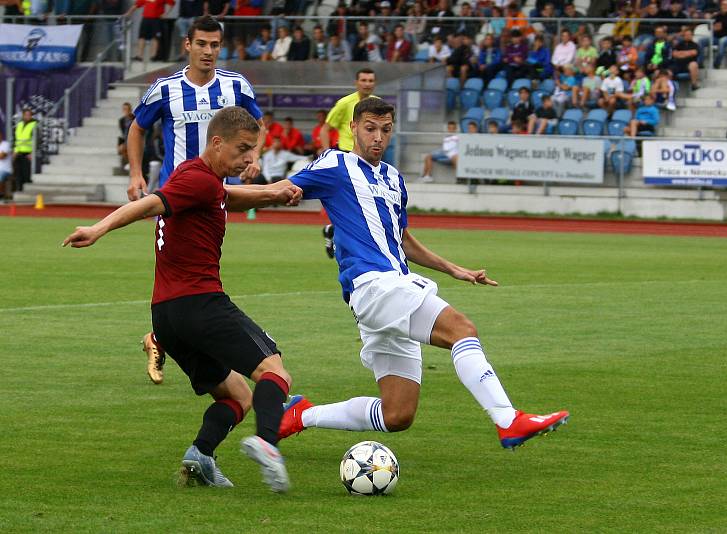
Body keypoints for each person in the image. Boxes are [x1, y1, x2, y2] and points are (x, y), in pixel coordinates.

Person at [280, 98, 569, 450]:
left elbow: (402, 241)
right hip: (375, 287)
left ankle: (298, 415)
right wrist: (224, 192)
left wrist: (454, 269)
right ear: (353, 127)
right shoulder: (336, 163)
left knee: (397, 414)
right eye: (370, 128)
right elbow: (282, 189)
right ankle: (508, 420)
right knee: (461, 330)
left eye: (385, 130)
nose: (378, 138)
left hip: (389, 293)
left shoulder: (393, 179)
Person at [63, 106, 303, 492]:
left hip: (167, 316)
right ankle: (268, 443)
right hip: (201, 303)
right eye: (243, 149)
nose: (248, 158)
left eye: (253, 150)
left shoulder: (201, 180)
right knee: (274, 372)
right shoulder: (198, 180)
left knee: (237, 396)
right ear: (217, 142)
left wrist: (273, 193)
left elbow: (228, 198)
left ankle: (200, 456)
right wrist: (99, 227)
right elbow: (150, 203)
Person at [126, 16, 267, 384]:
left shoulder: (236, 86)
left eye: (215, 45)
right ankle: (169, 335)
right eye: (201, 44)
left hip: (215, 194)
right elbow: (138, 127)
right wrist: (135, 173)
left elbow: (258, 124)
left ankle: (164, 336)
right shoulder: (165, 88)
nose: (208, 51)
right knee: (182, 269)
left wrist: (254, 156)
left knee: (206, 267)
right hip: (178, 197)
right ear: (187, 45)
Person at [319, 68, 377, 259]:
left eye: (370, 80)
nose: (367, 83)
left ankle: (333, 231)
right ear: (357, 82)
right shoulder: (345, 103)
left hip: (367, 158)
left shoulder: (377, 104)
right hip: (346, 155)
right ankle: (347, 244)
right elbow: (326, 128)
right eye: (364, 80)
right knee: (352, 203)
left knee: (361, 204)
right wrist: (328, 152)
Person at [13, 108, 36, 194]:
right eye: (25, 115)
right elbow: (17, 140)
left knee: (26, 174)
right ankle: (19, 189)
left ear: (31, 116)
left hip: (28, 153)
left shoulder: (34, 125)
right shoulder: (19, 125)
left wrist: (32, 153)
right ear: (23, 115)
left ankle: (27, 192)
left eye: (29, 115)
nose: (27, 116)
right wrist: (15, 151)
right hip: (19, 152)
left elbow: (37, 140)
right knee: (18, 173)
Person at [118, 102, 135, 170]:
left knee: (125, 148)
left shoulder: (134, 119)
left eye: (127, 109)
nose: (126, 111)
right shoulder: (121, 120)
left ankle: (130, 163)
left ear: (130, 110)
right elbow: (123, 133)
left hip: (134, 139)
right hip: (126, 139)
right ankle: (127, 163)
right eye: (124, 109)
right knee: (122, 148)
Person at [0, 131, 11, 201]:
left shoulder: (5, 144)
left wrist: (1, 155)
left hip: (5, 169)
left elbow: (2, 156)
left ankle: (1, 195)